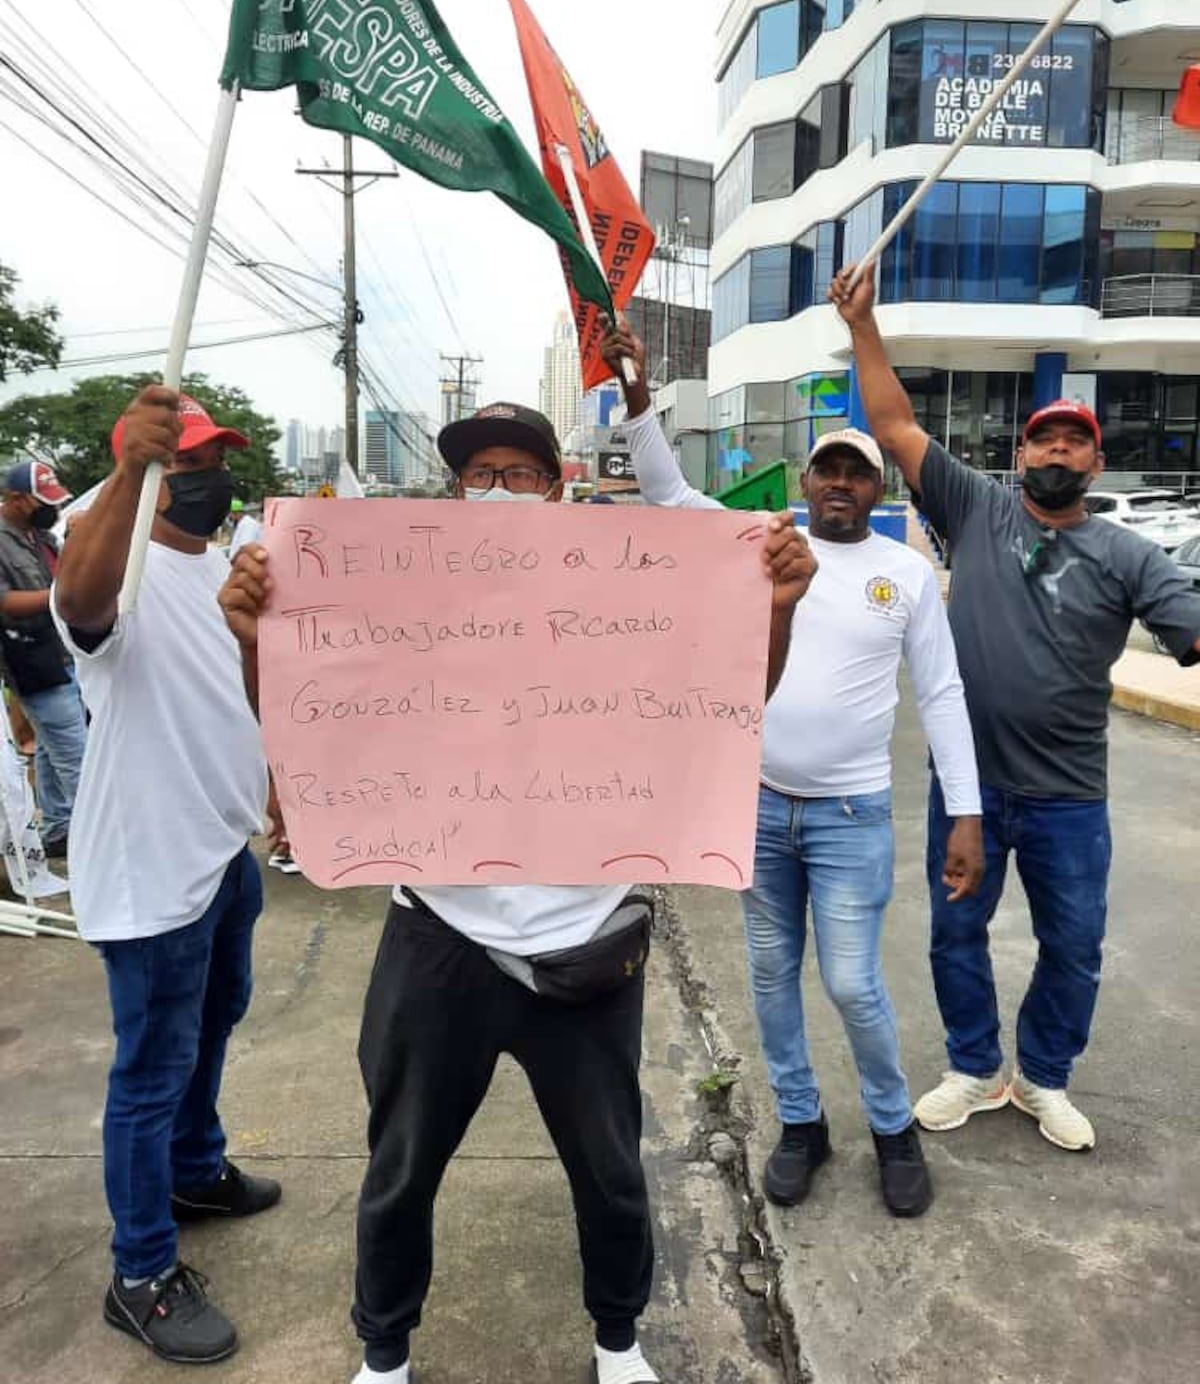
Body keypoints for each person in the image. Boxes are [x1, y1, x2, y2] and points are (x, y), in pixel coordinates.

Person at [219, 399, 816, 1384]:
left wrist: (778, 610)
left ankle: (618, 1340)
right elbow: (314, 725)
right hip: (438, 934)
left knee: (613, 1171)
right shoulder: (401, 601)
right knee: (402, 1166)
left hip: (586, 941)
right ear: (455, 490)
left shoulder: (621, 593)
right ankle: (384, 1351)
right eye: (478, 473)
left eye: (519, 472)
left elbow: (725, 705)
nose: (497, 489)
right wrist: (258, 635)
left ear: (560, 485)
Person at [600, 324, 983, 1219]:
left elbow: (944, 695)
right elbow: (665, 492)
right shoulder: (759, 542)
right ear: (806, 483)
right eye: (828, 472)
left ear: (876, 487)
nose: (841, 485)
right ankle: (801, 1123)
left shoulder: (907, 574)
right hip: (760, 809)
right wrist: (638, 395)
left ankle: (892, 1127)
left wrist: (964, 814)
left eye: (857, 472)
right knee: (772, 975)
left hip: (853, 815)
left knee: (851, 981)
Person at [830, 263, 1200, 1151]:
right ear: (1022, 456)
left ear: (1096, 462)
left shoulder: (1130, 556)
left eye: (1076, 444)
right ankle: (971, 1066)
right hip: (969, 791)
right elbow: (893, 424)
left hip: (1070, 796)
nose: (1059, 454)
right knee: (956, 935)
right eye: (1046, 443)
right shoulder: (978, 509)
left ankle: (1042, 1078)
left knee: (1073, 946)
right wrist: (865, 327)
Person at [52, 386, 283, 1365]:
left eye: (208, 459)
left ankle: (196, 1169)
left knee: (218, 1019)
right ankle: (140, 1271)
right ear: (143, 465)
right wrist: (126, 475)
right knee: (149, 1073)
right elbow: (81, 605)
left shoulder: (220, 562)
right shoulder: (114, 551)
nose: (203, 476)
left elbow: (244, 688)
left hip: (223, 852)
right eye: (181, 461)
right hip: (152, 874)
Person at [0, 459, 88, 858]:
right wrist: (61, 599)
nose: (49, 508)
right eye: (42, 501)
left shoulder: (42, 538)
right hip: (32, 660)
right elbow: (6, 602)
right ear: (16, 499)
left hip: (62, 654)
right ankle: (98, 840)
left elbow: (66, 575)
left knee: (53, 753)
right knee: (79, 757)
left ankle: (58, 829)